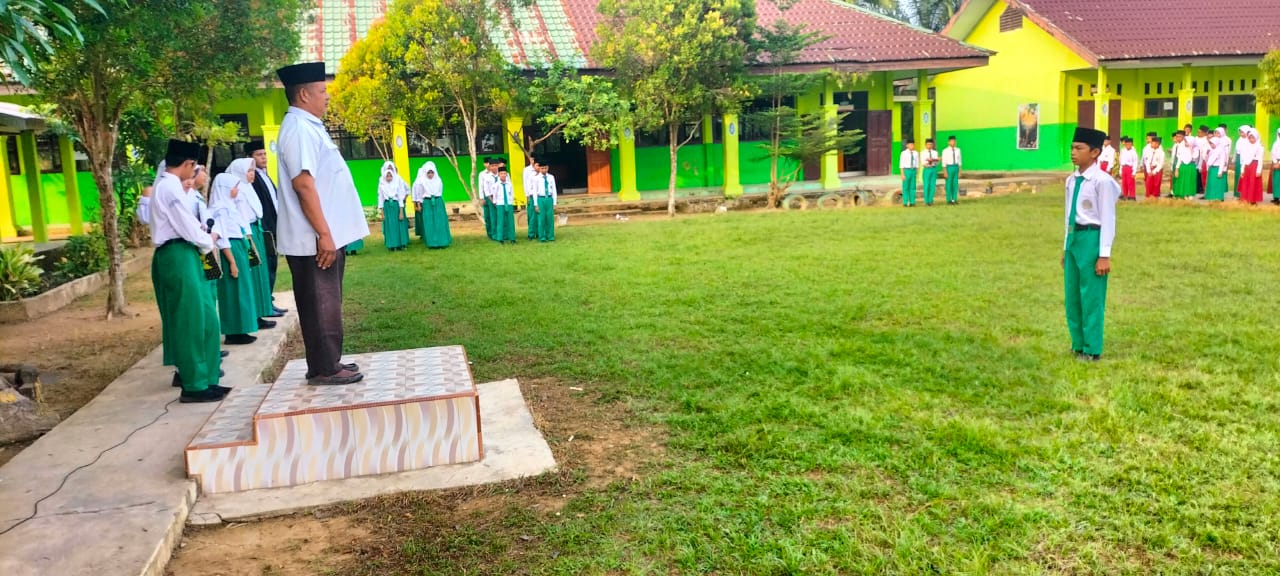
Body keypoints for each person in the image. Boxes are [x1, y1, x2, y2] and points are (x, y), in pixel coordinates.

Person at [275, 62, 369, 386]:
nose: (327, 96)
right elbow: (303, 184)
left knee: (326, 302)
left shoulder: (308, 126)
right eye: (322, 90)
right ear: (303, 94)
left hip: (322, 235)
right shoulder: (299, 129)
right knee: (321, 303)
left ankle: (327, 362)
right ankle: (325, 368)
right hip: (313, 239)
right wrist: (324, 234)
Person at [150, 140, 228, 403]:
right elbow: (185, 225)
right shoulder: (168, 187)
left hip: (189, 252)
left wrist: (203, 241)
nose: (194, 173)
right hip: (178, 253)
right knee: (190, 320)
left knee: (207, 318)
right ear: (187, 164)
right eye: (194, 167)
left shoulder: (173, 187)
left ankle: (207, 379)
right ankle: (194, 385)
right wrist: (208, 240)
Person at [1062, 127, 1119, 362]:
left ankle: (1092, 348)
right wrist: (1066, 247)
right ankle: (1077, 343)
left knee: (1091, 296)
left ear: (1094, 152)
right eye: (1072, 148)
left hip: (1092, 239)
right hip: (1074, 239)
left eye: (1079, 148)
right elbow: (1068, 216)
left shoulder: (1102, 181)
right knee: (1073, 295)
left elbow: (1108, 218)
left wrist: (1104, 254)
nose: (1073, 152)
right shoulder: (1071, 180)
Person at [209, 170, 261, 346]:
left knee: (243, 290)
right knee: (233, 292)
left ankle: (242, 329)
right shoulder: (220, 209)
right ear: (225, 188)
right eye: (234, 187)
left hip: (238, 247)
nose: (237, 190)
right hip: (230, 251)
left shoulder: (230, 206)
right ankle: (233, 332)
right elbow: (222, 237)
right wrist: (232, 262)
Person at [226, 158, 276, 327]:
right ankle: (254, 316)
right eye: (248, 171)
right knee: (253, 274)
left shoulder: (248, 188)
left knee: (260, 273)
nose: (252, 174)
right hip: (246, 233)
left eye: (253, 170)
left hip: (256, 229)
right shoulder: (235, 190)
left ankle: (262, 311)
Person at [247, 141, 286, 317]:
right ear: (250, 158)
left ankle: (269, 300)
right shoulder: (253, 178)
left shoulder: (265, 175)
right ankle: (265, 304)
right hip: (265, 228)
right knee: (267, 266)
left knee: (273, 265)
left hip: (274, 226)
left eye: (264, 154)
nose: (263, 157)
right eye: (259, 155)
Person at [413, 161, 452, 248]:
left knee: (440, 221)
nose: (430, 174)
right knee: (429, 223)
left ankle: (442, 242)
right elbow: (419, 194)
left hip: (438, 201)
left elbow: (440, 191)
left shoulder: (438, 180)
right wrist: (419, 205)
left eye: (432, 172)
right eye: (428, 173)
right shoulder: (422, 181)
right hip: (427, 203)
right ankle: (432, 243)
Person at [377, 161, 411, 251]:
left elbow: (401, 194)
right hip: (387, 206)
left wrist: (401, 208)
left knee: (398, 225)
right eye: (387, 171)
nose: (389, 177)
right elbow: (380, 196)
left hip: (396, 205)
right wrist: (381, 211)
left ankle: (401, 243)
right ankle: (391, 244)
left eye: (391, 169)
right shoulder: (381, 182)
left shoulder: (397, 180)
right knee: (390, 225)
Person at [1237, 128, 1264, 205]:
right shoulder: (1247, 146)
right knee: (1246, 183)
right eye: (1250, 138)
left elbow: (1260, 159)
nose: (1251, 140)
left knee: (1253, 183)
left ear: (1256, 137)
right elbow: (1244, 159)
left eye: (1253, 138)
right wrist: (1242, 169)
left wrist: (1258, 170)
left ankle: (1253, 200)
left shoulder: (1259, 147)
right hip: (1247, 166)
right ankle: (1245, 198)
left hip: (1254, 166)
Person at [534, 160, 558, 242]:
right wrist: (536, 204)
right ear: (539, 168)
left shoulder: (551, 177)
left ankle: (550, 235)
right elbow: (534, 192)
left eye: (545, 168)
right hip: (541, 199)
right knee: (541, 218)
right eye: (542, 168)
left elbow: (554, 190)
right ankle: (542, 236)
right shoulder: (536, 178)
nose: (544, 170)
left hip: (549, 198)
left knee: (550, 218)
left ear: (547, 168)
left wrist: (554, 202)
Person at [1204, 128, 1229, 202]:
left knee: (1217, 184)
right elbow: (1208, 160)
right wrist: (1207, 154)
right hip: (1212, 169)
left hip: (1217, 169)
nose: (1211, 145)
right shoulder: (1211, 150)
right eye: (1210, 144)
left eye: (1212, 144)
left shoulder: (1221, 150)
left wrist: (1220, 171)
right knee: (1211, 183)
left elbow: (1222, 162)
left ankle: (1218, 197)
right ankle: (1211, 197)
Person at [493, 168, 516, 244]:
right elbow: (495, 195)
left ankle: (512, 238)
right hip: (500, 204)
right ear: (499, 175)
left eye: (504, 173)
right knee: (500, 221)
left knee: (511, 221)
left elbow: (512, 194)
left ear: (506, 175)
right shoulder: (496, 185)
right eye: (501, 174)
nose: (503, 175)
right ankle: (500, 238)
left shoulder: (509, 184)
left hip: (508, 203)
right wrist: (495, 203)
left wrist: (511, 202)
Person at [1170, 131, 1197, 199]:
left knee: (1189, 180)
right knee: (1181, 180)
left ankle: (1189, 194)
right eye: (1185, 141)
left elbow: (1195, 157)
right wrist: (1177, 168)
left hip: (1190, 166)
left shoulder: (1195, 149)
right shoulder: (1181, 147)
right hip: (1182, 165)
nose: (1186, 143)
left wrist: (1191, 149)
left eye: (1187, 141)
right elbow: (1179, 158)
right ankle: (1180, 194)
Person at [480, 157, 499, 240]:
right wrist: (482, 198)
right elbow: (481, 186)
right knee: (489, 216)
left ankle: (498, 232)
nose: (488, 165)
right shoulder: (482, 174)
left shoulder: (500, 173)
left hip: (498, 197)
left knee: (497, 215)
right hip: (488, 196)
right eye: (486, 163)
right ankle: (490, 233)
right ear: (484, 164)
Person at [941, 136, 962, 205]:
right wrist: (945, 171)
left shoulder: (958, 150)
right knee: (949, 184)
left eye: (954, 141)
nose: (953, 142)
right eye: (952, 141)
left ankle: (954, 199)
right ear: (949, 142)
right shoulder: (945, 151)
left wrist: (960, 170)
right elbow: (943, 162)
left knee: (955, 184)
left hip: (956, 167)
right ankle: (949, 199)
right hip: (949, 167)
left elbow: (959, 160)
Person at [523, 157, 539, 240]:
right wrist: (527, 195)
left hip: (540, 196)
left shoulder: (541, 173)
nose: (533, 161)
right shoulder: (527, 171)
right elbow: (525, 184)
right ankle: (531, 234)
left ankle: (539, 232)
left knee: (539, 215)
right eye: (531, 159)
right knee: (532, 215)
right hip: (531, 195)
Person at [1117, 136, 1138, 201]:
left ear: (1132, 144)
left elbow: (1135, 162)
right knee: (1124, 182)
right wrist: (1120, 170)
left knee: (1130, 182)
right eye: (1127, 144)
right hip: (1124, 168)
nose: (1128, 146)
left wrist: (1134, 172)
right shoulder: (1123, 151)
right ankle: (1125, 195)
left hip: (1130, 168)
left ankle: (1132, 195)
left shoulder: (1133, 152)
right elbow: (1121, 161)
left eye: (1129, 144)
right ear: (1125, 144)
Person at [920, 139, 940, 206]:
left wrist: (936, 160)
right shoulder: (923, 153)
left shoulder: (935, 152)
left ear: (933, 145)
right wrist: (929, 161)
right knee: (926, 185)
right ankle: (926, 201)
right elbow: (923, 163)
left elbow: (937, 162)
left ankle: (931, 200)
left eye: (931, 144)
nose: (929, 146)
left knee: (932, 185)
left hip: (933, 169)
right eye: (928, 144)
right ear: (925, 145)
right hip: (927, 169)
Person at [899, 140, 918, 207]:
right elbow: (901, 164)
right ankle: (905, 202)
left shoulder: (915, 153)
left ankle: (912, 202)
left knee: (913, 187)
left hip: (913, 170)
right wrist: (902, 174)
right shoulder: (903, 153)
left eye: (913, 144)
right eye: (910, 144)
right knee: (906, 187)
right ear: (907, 145)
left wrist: (916, 172)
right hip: (906, 170)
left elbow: (917, 163)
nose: (912, 146)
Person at [1233, 125, 1249, 196]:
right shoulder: (1239, 140)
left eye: (1242, 132)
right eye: (1240, 132)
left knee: (1244, 176)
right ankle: (1238, 194)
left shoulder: (1249, 140)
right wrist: (1234, 159)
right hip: (1239, 159)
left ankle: (1245, 194)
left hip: (1246, 160)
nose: (1241, 134)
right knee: (1238, 176)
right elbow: (1236, 150)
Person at [1271, 127, 1280, 205]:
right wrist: (1275, 162)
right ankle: (1276, 197)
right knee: (1276, 181)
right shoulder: (1276, 143)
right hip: (1276, 163)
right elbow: (1273, 153)